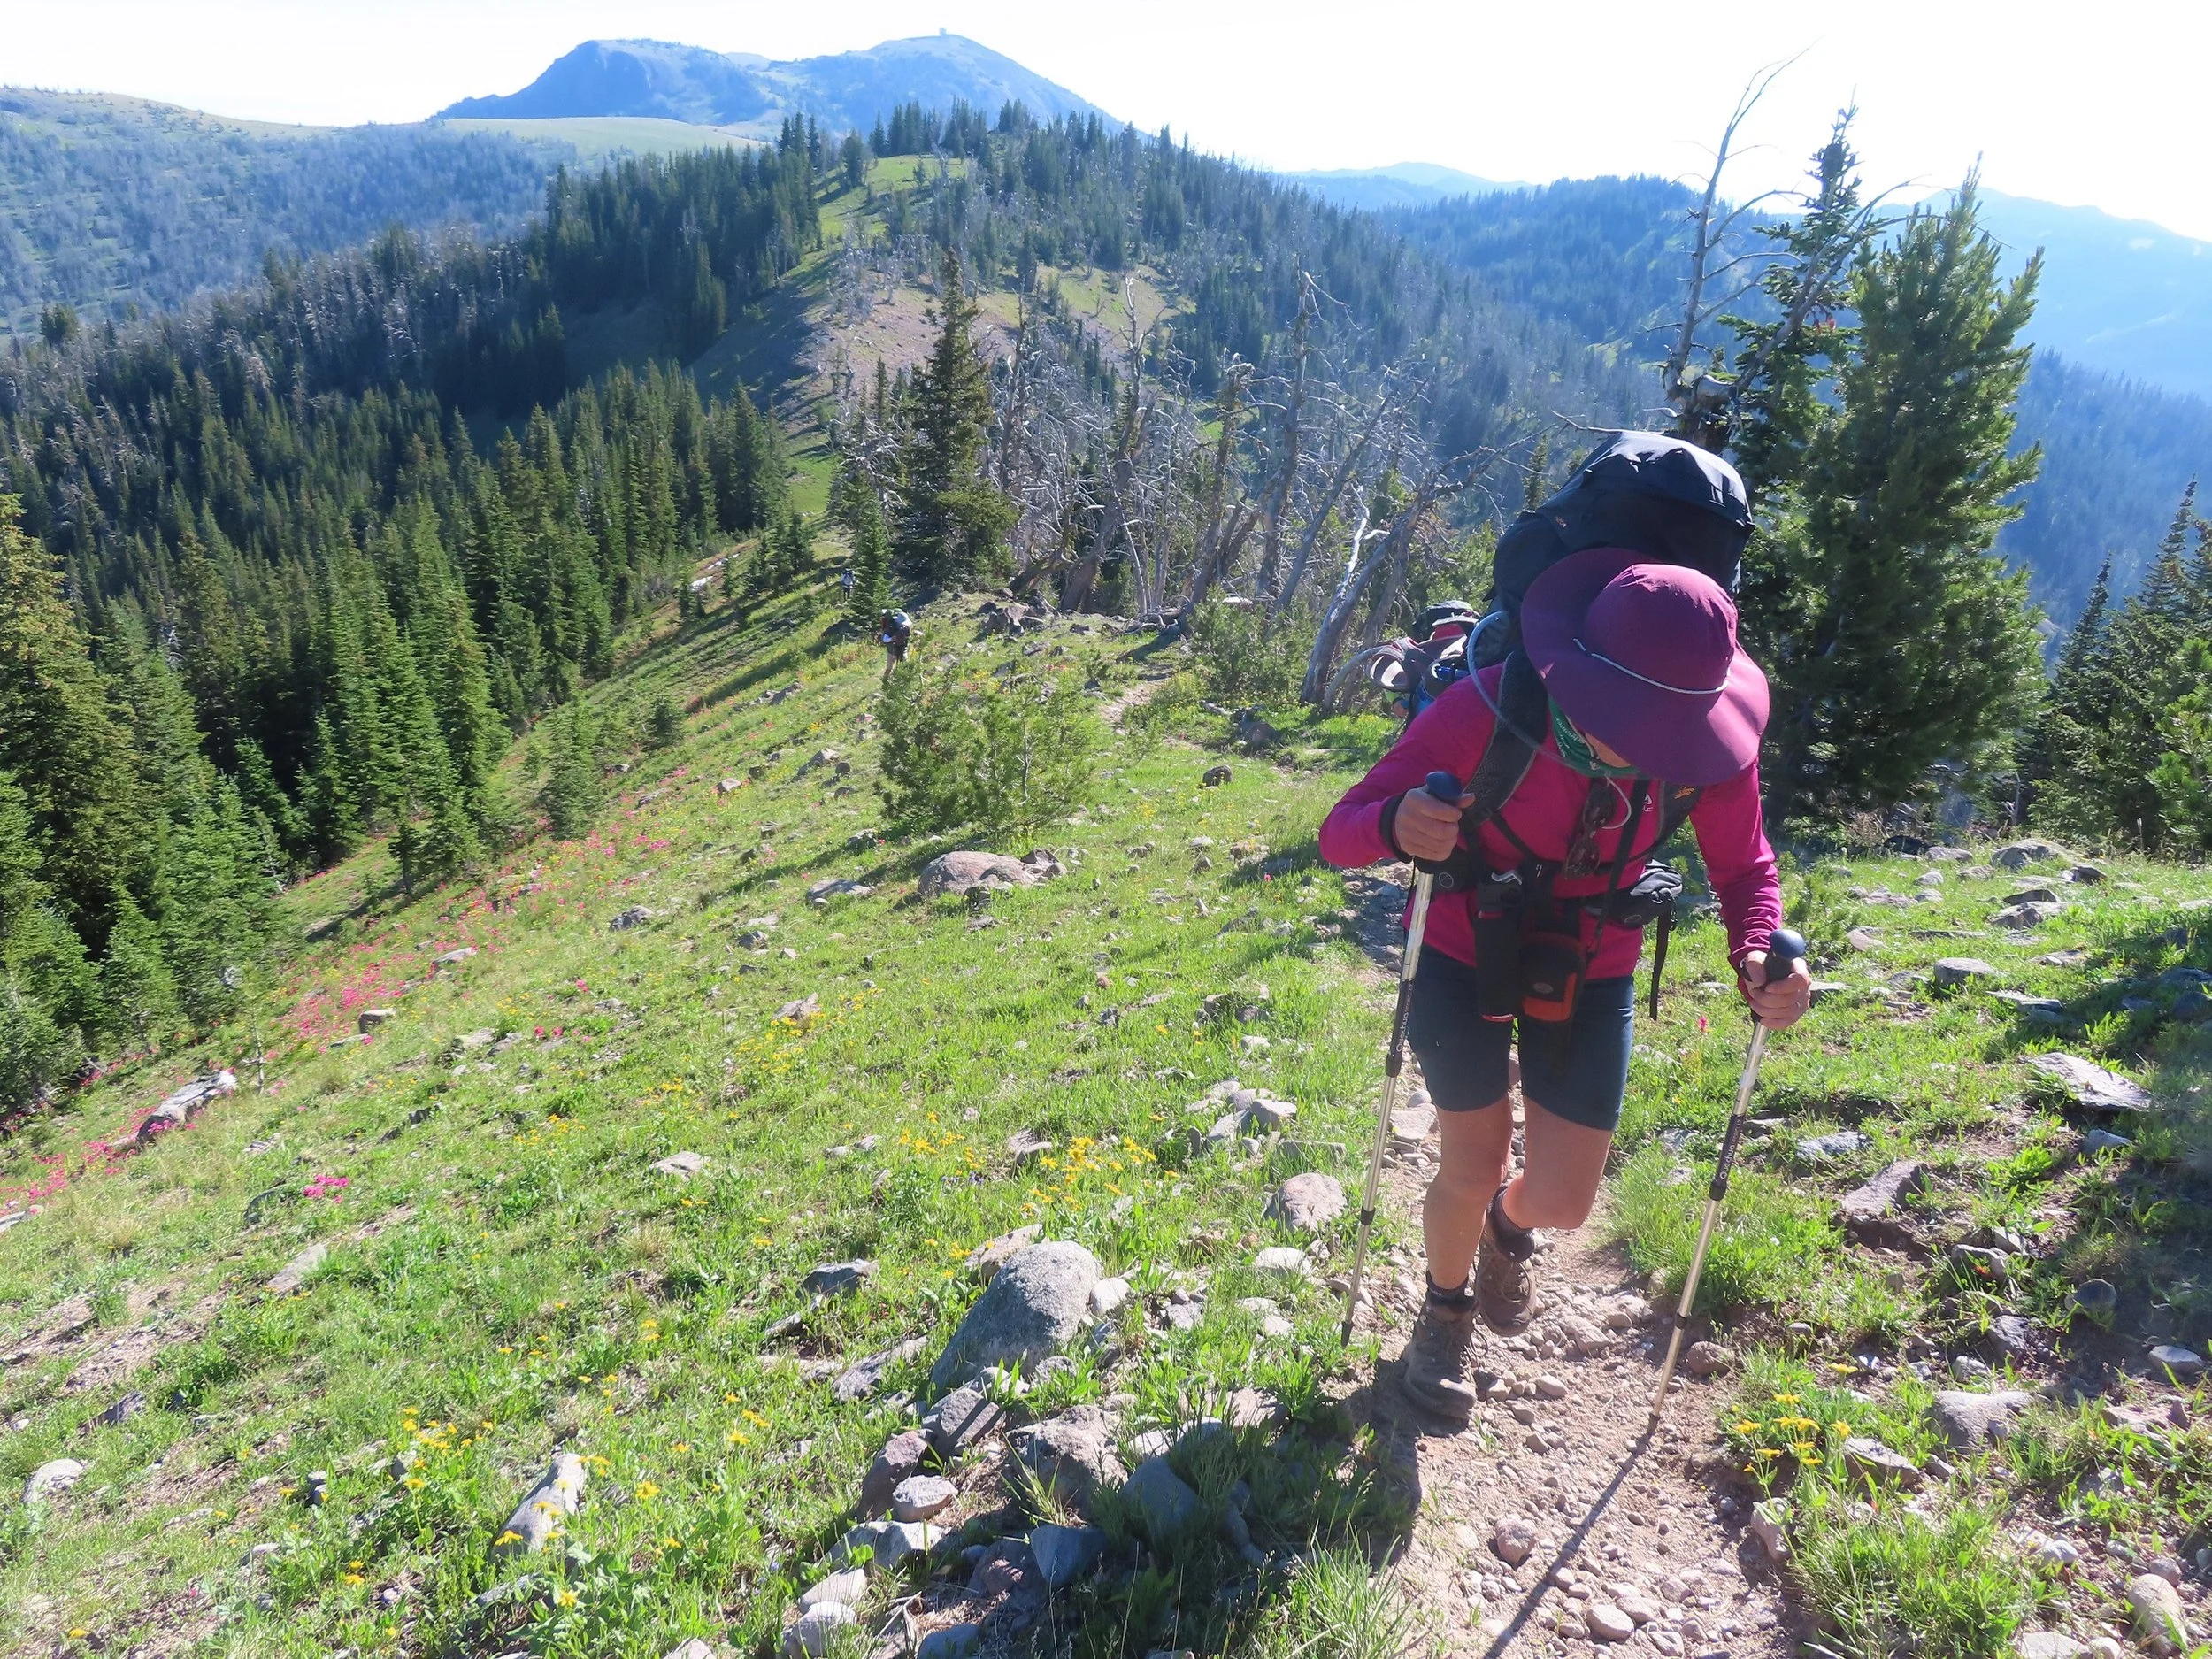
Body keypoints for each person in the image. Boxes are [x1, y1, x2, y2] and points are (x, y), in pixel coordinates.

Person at [1318, 549, 1810, 1421]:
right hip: (1460, 944)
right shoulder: (1486, 709)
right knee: (1470, 1159)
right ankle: (1444, 1313)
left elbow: (1745, 869)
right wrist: (1396, 823)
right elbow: (1340, 832)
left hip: (1593, 958)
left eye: (1673, 728)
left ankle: (1509, 1233)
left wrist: (1761, 955)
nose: (1658, 747)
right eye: (1642, 721)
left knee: (1565, 1197)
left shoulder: (1709, 748)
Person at [878, 609, 913, 678]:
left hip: (903, 648)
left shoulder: (905, 627)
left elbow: (908, 635)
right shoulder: (890, 627)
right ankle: (885, 681)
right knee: (889, 668)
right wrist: (891, 639)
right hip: (892, 650)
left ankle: (904, 678)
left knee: (904, 663)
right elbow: (885, 639)